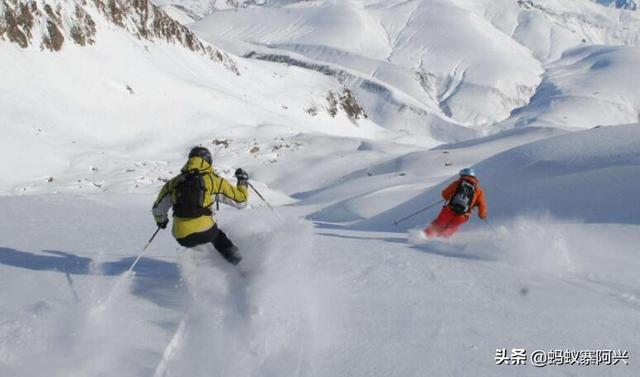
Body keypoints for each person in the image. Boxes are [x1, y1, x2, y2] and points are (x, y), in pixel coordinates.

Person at [152, 146, 249, 264]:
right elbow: (241, 202)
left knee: (194, 241)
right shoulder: (214, 180)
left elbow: (158, 209)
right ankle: (240, 265)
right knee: (218, 237)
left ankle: (199, 266)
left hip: (181, 236)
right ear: (208, 161)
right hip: (207, 231)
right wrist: (242, 181)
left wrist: (161, 221)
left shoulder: (174, 182)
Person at [424, 168, 487, 238]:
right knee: (451, 228)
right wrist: (482, 215)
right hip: (463, 216)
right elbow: (482, 205)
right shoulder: (478, 191)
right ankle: (441, 241)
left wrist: (449, 196)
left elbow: (444, 194)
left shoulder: (457, 184)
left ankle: (424, 237)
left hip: (449, 210)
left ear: (463, 175)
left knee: (438, 223)